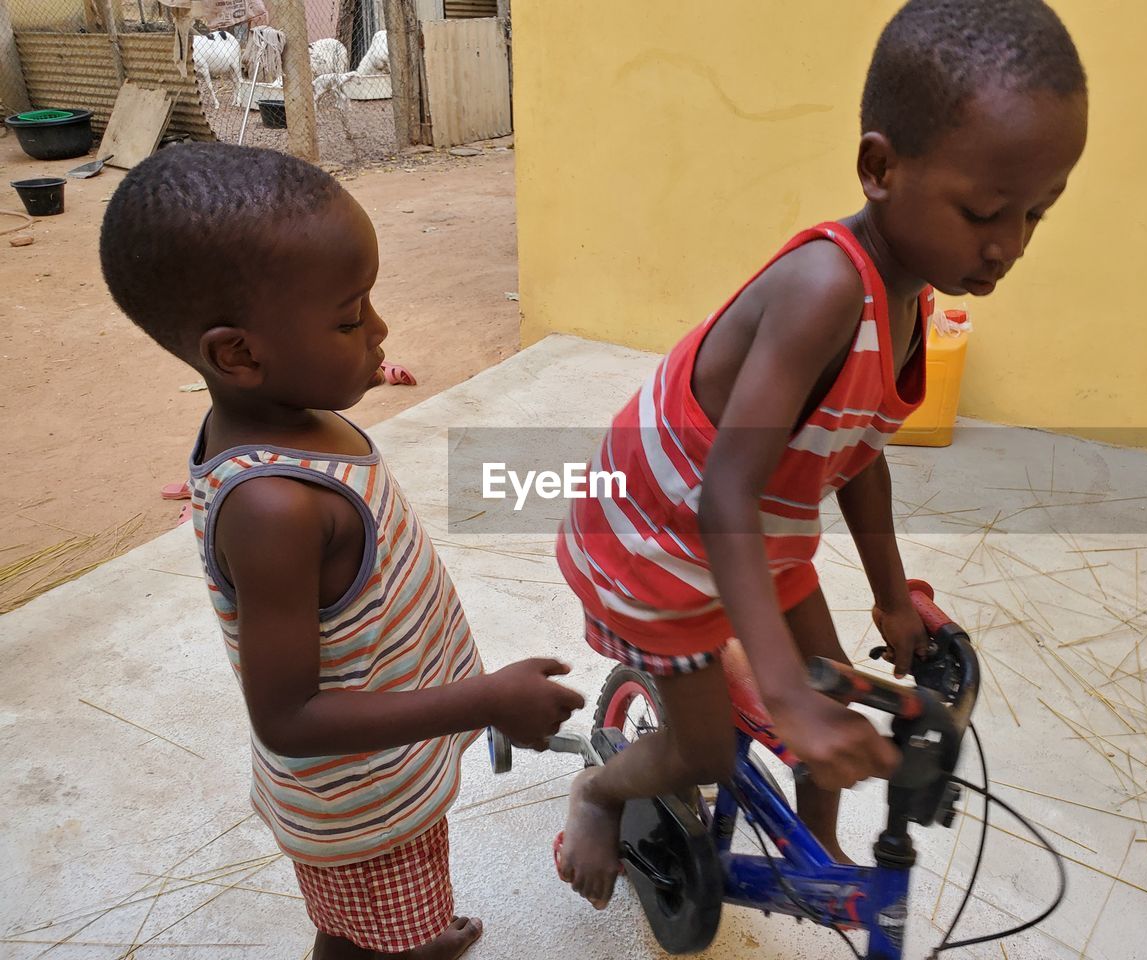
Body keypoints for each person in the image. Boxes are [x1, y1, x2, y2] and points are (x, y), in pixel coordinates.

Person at [554, 0, 1088, 909]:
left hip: (763, 528)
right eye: (985, 211)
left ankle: (820, 852)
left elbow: (858, 457)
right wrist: (787, 701)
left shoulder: (911, 292)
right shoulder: (824, 288)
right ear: (879, 168)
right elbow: (724, 496)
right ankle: (598, 791)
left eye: (1038, 213)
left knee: (830, 712)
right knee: (706, 747)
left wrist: (890, 595)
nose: (1009, 246)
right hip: (669, 538)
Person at [100, 143, 586, 959]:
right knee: (362, 935)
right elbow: (287, 717)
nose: (380, 329)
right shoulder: (273, 506)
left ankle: (396, 938)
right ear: (238, 354)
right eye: (349, 316)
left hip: (386, 771)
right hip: (360, 809)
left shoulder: (290, 417)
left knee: (372, 924)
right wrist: (487, 700)